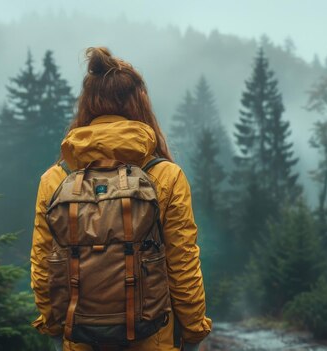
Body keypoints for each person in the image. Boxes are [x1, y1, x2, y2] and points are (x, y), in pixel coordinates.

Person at [30, 47, 212, 351]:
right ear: (140, 105)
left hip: (81, 339)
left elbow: (43, 263)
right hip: (152, 338)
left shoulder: (57, 179)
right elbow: (182, 264)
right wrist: (193, 330)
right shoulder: (165, 175)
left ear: (87, 106)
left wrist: (52, 325)